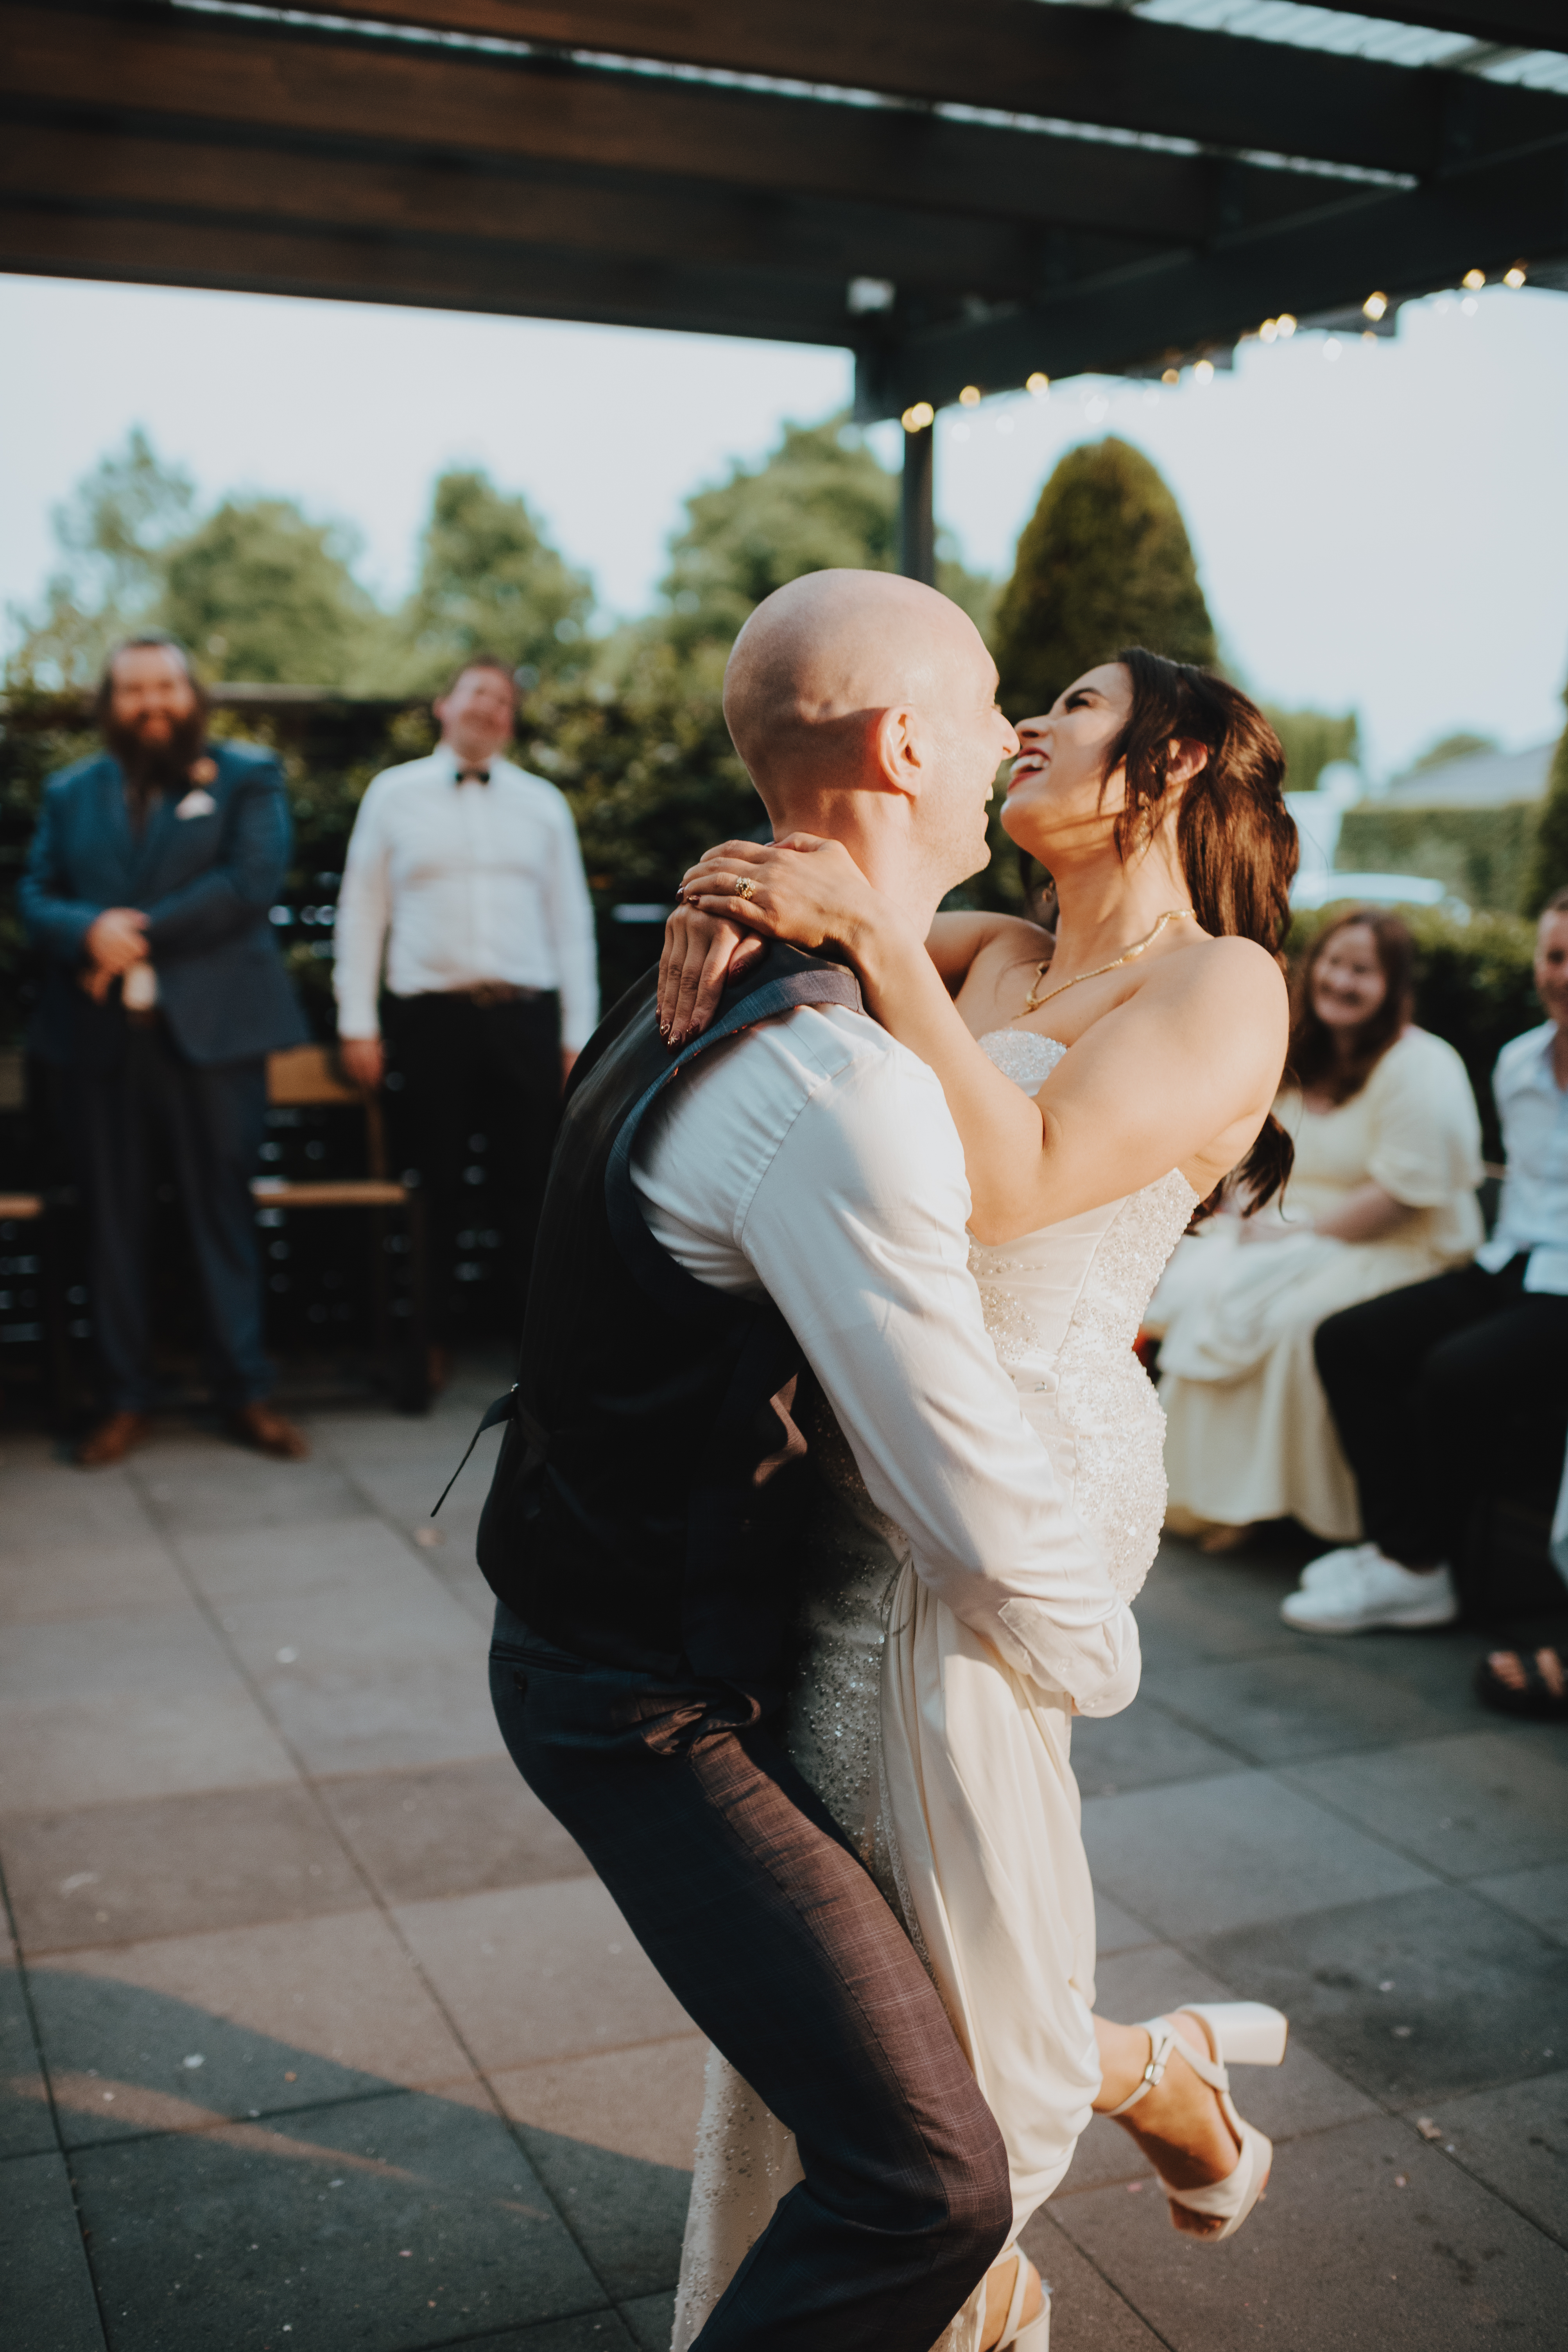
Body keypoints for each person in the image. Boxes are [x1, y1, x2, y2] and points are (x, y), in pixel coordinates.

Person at [655, 627, 1298, 2345]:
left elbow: (1016, 1183)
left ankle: (975, 2261)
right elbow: (822, 893)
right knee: (862, 1924)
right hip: (858, 1462)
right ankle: (1127, 2091)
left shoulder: (1223, 985)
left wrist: (876, 943)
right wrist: (724, 897)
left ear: (1173, 761)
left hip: (1021, 1479)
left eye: (1075, 705)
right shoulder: (994, 949)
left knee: (957, 1927)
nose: (1024, 723)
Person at [19, 632, 311, 1465]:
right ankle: (123, 1397)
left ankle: (244, 1390)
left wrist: (128, 934)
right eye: (134, 690)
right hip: (97, 1043)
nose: (151, 703)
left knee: (224, 1214)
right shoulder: (70, 791)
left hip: (215, 1039)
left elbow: (250, 882)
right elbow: (36, 893)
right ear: (111, 703)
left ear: (192, 695)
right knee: (109, 1224)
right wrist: (85, 931)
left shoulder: (248, 774)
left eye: (165, 687)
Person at [1284, 890, 1568, 1667]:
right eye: (1553, 956)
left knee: (1454, 1372)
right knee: (1348, 1339)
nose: (1562, 975)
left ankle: (1419, 1565)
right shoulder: (1518, 1063)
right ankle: (1397, 1547)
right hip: (1509, 1261)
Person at [1148, 907, 1483, 1551]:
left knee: (1293, 1322)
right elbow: (1253, 1149)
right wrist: (1244, 1213)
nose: (1342, 982)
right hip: (1285, 1229)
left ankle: (1283, 1505)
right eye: (1334, 963)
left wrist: (1299, 1237)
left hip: (1394, 1246)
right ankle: (1207, 1493)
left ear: (1393, 985)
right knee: (1205, 1292)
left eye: (1363, 971)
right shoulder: (1299, 1051)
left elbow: (1402, 1197)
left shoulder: (1422, 1065)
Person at [333, 656, 597, 1377]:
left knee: (530, 1190)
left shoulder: (544, 804)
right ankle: (429, 1344)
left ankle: (537, 1356)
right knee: (434, 1188)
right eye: (478, 693)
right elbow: (363, 910)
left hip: (524, 1022)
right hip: (430, 1024)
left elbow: (571, 923)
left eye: (504, 700)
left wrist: (577, 1035)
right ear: (444, 706)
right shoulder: (392, 795)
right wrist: (357, 1020)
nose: (490, 707)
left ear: (511, 722)